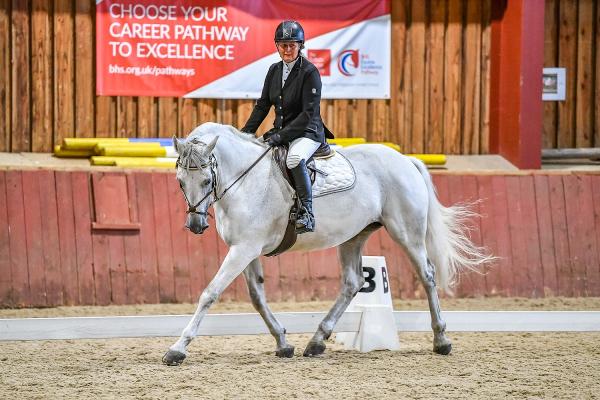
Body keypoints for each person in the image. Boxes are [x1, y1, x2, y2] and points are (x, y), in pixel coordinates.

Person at [242, 20, 333, 234]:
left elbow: (307, 114)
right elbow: (263, 105)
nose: (287, 49)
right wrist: (244, 134)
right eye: (283, 45)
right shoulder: (274, 70)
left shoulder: (310, 72)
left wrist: (279, 136)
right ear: (277, 46)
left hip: (308, 132)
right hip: (282, 131)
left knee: (293, 159)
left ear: (300, 45)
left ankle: (307, 212)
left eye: (292, 44)